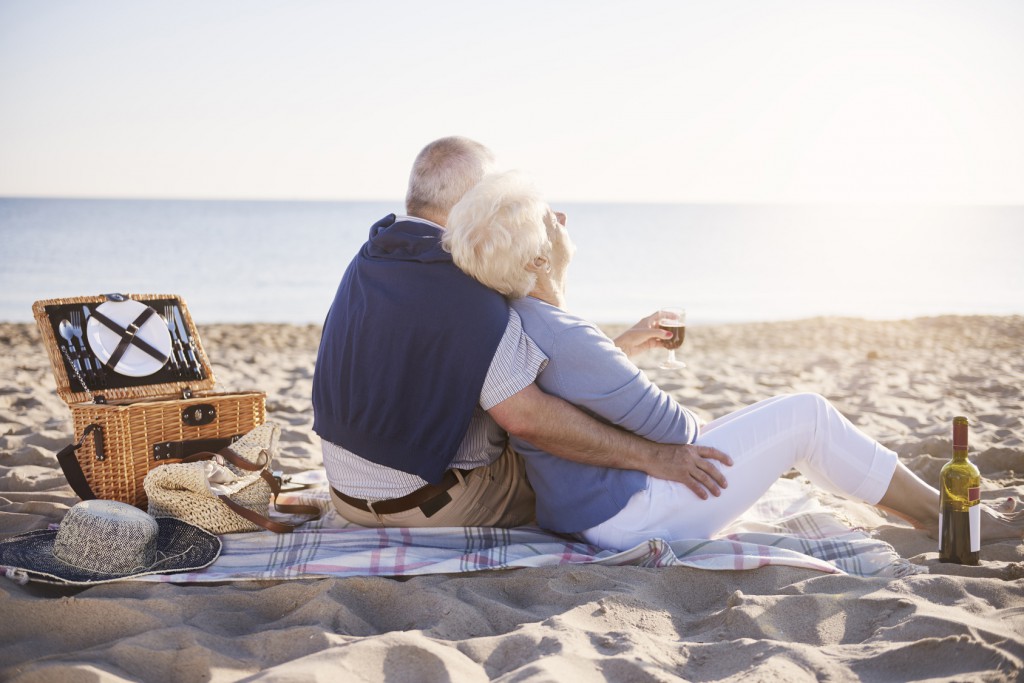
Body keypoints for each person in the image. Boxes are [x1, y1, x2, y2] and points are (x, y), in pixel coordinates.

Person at [442, 170, 1024, 549]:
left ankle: (905, 501)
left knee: (784, 423)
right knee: (806, 416)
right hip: (632, 514)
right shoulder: (569, 336)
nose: (564, 220)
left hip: (586, 510)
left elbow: (569, 383)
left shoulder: (518, 317)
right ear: (541, 257)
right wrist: (623, 371)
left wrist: (621, 352)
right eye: (552, 218)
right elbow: (680, 431)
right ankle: (948, 519)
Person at [312, 137, 733, 529]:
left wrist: (616, 347)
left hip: (348, 498)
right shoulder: (462, 284)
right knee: (567, 459)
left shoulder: (373, 257)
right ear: (476, 201)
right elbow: (528, 419)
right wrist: (655, 457)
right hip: (428, 506)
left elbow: (432, 364)